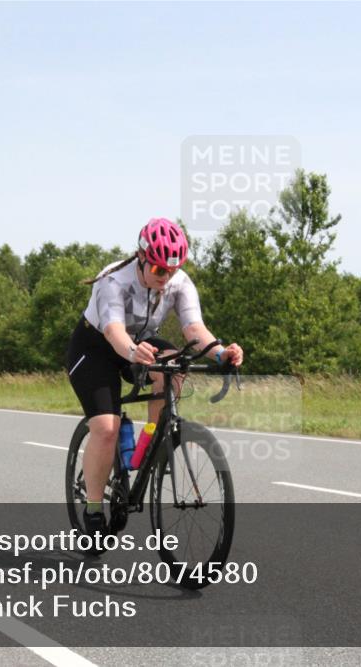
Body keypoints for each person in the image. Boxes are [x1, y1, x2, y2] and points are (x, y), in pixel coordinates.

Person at [66, 218, 243, 537]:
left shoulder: (179, 282)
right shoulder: (113, 281)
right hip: (96, 348)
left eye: (172, 271)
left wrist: (220, 353)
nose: (166, 277)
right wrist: (133, 352)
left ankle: (151, 442)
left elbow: (194, 328)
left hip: (141, 343)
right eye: (160, 269)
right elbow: (114, 331)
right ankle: (93, 508)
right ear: (141, 257)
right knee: (106, 429)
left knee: (176, 363)